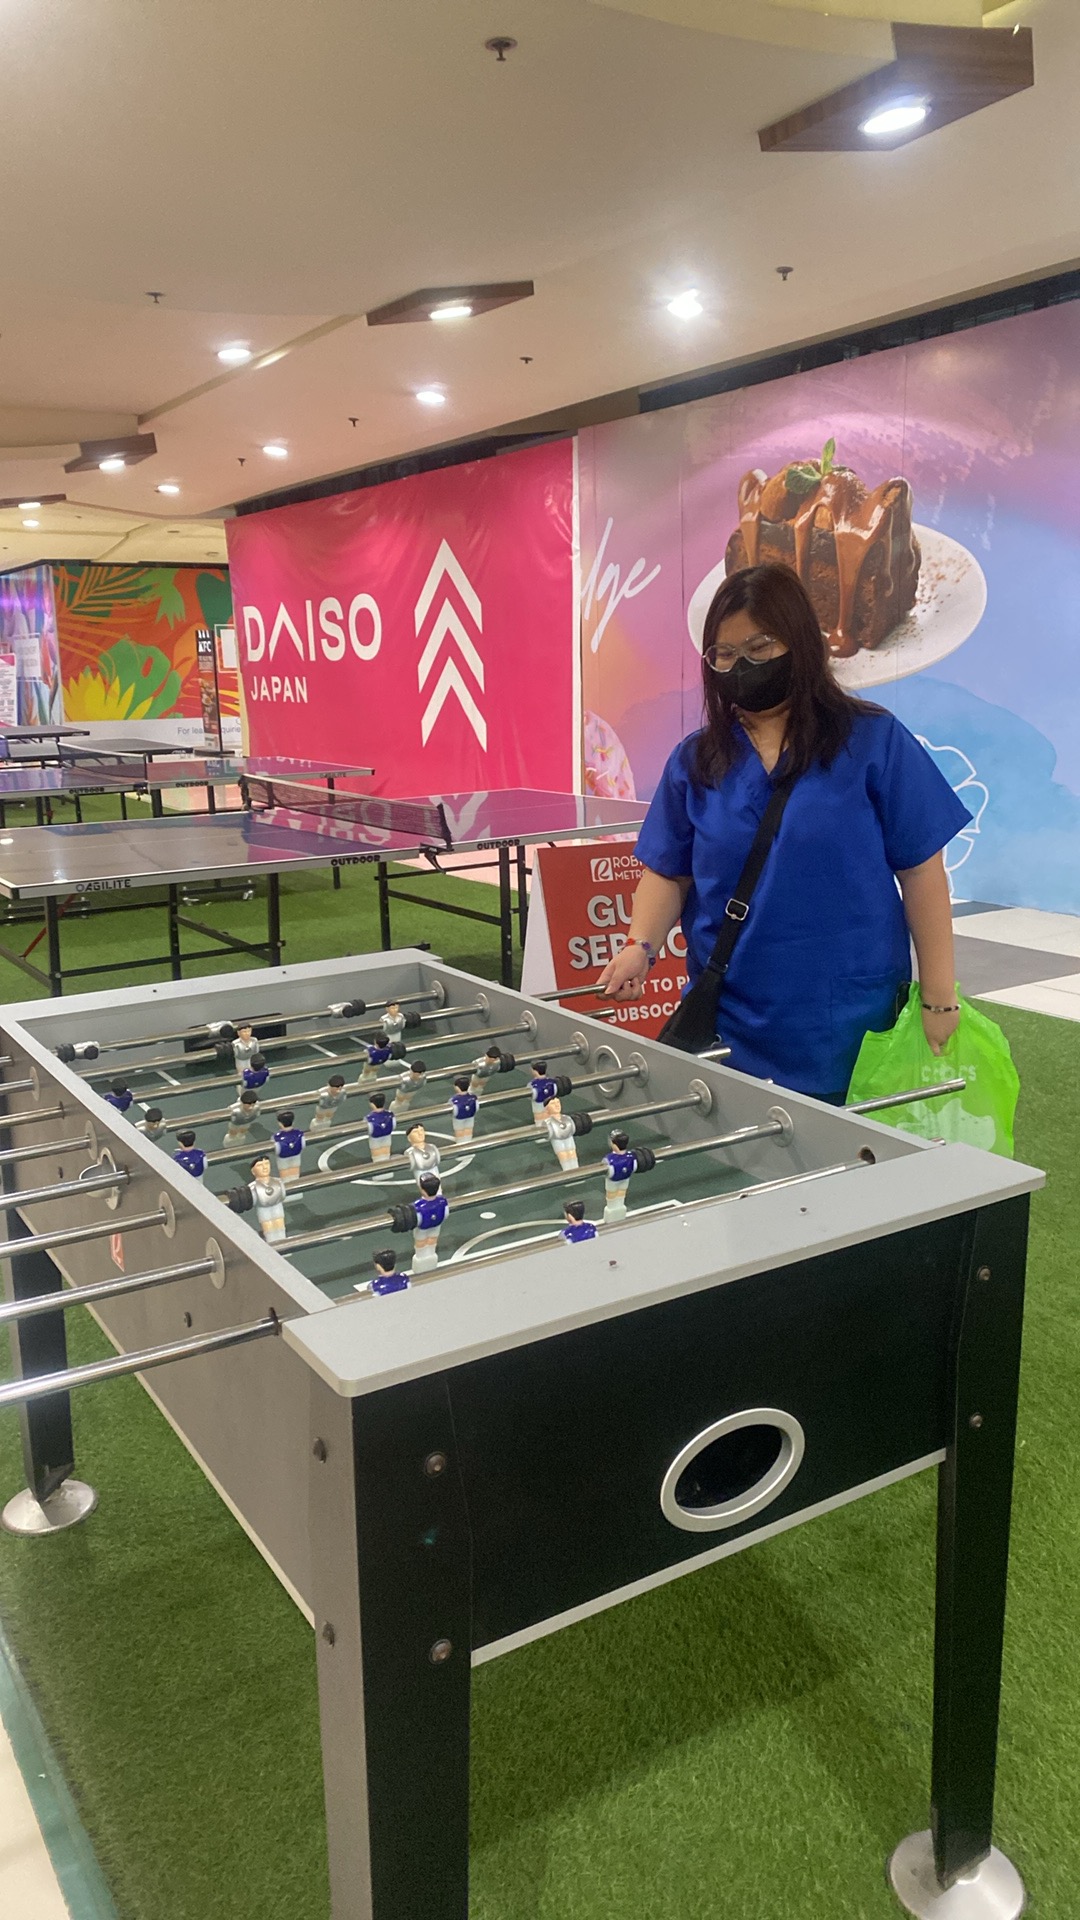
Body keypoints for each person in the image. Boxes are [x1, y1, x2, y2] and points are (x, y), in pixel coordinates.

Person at [597, 563, 971, 1102]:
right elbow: (669, 873)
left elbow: (922, 874)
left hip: (849, 1022)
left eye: (759, 647)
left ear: (799, 643)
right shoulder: (696, 761)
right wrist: (640, 945)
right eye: (725, 654)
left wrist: (939, 996)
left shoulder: (874, 741)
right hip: (731, 1019)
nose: (741, 665)